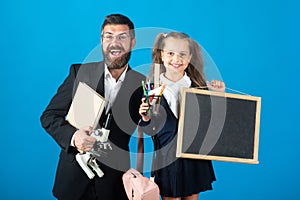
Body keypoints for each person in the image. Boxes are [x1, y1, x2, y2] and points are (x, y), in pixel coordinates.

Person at [40, 14, 145, 200]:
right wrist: (74, 136)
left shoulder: (142, 84)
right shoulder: (79, 73)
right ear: (101, 41)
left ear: (133, 42)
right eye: (109, 36)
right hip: (73, 180)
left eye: (122, 37)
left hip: (114, 184)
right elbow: (49, 117)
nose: (115, 42)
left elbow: (154, 125)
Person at [138, 32, 225, 200]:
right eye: (170, 53)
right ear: (161, 55)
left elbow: (211, 123)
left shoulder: (198, 87)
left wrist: (218, 96)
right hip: (166, 158)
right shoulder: (152, 89)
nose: (176, 59)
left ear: (189, 57)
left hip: (193, 157)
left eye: (182, 54)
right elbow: (151, 131)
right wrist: (146, 118)